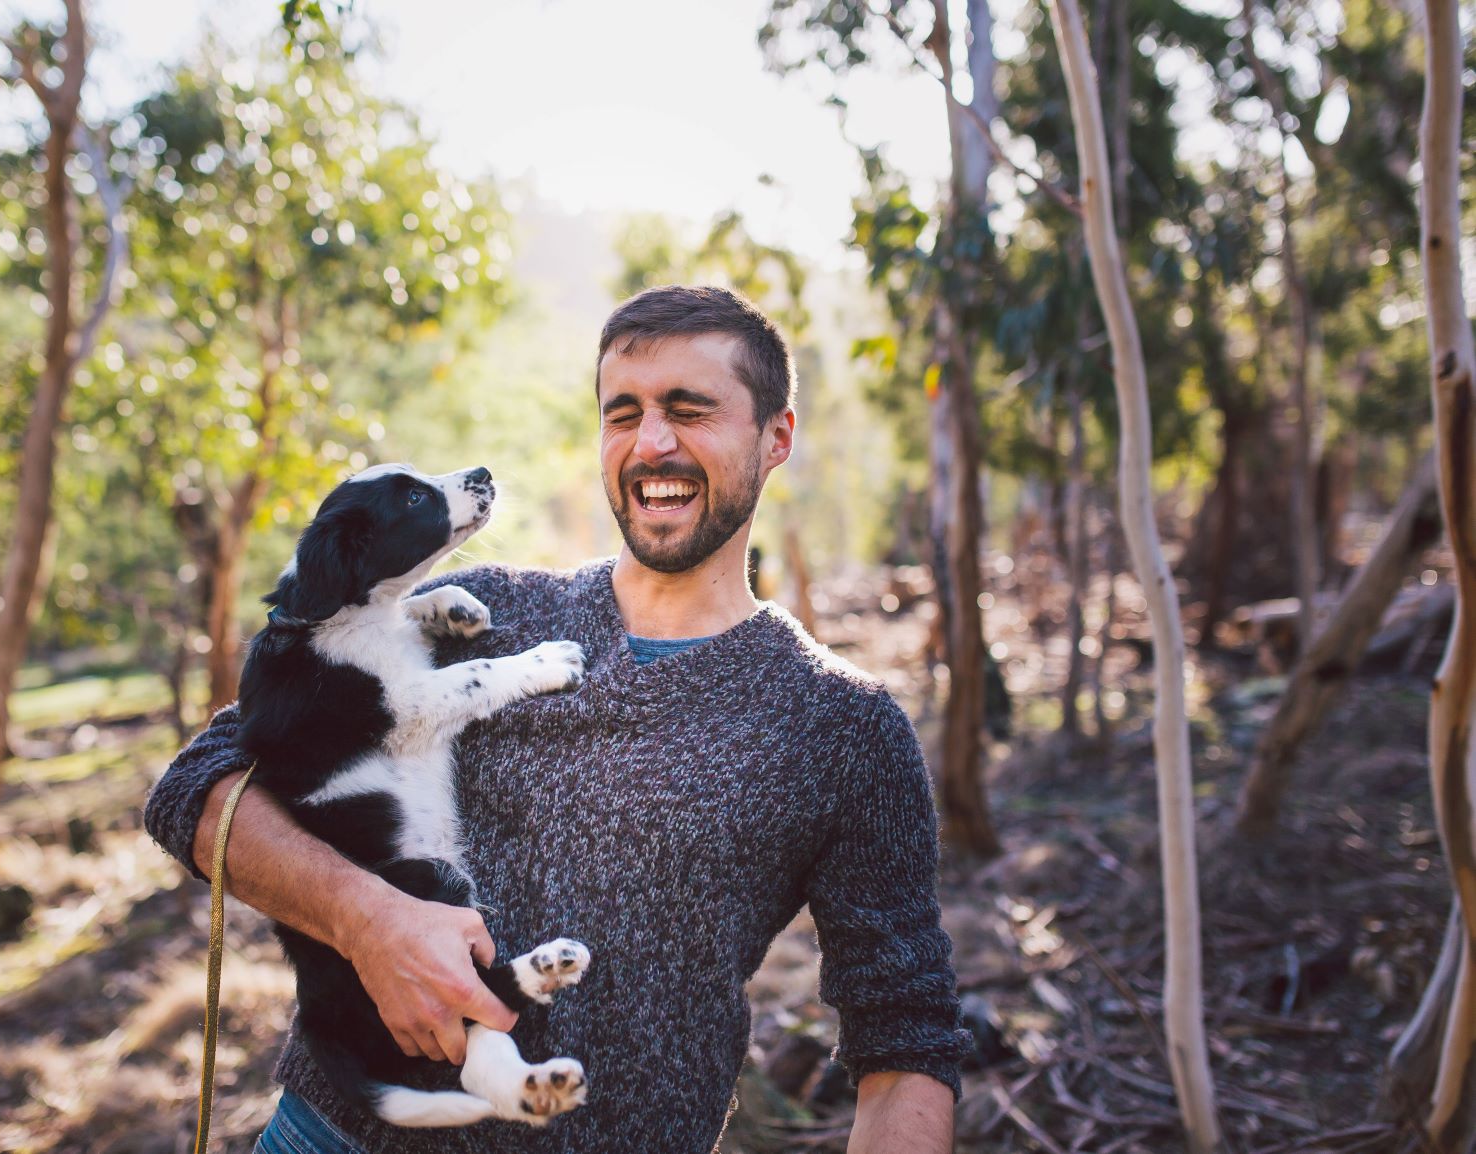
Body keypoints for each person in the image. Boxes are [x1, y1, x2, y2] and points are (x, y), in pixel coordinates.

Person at [143, 285, 968, 1154]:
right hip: (334, 1136)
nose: (653, 442)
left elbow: (905, 1036)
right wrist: (367, 919)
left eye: (691, 410)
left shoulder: (844, 726)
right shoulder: (475, 615)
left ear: (776, 438)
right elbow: (195, 790)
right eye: (625, 414)